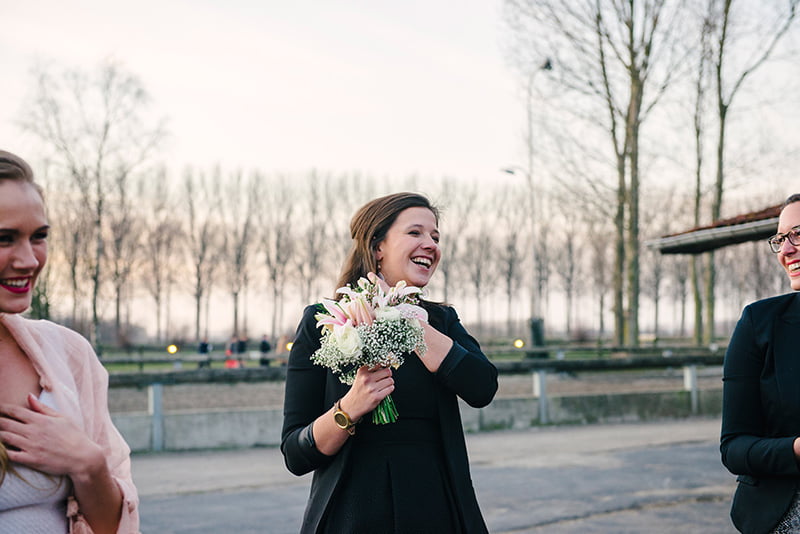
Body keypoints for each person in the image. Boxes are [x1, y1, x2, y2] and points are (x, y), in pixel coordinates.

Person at [281, 192, 498, 533]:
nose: (431, 245)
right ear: (377, 246)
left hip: (436, 508)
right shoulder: (323, 321)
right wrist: (348, 408)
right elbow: (296, 454)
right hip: (351, 513)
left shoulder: (441, 322)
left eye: (435, 237)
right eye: (415, 233)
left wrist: (412, 321)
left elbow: (483, 387)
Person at [0, 150, 139, 533]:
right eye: (4, 239)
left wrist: (88, 464)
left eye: (39, 237)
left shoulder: (68, 353)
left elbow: (110, 527)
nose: (29, 260)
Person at [721, 193, 800, 534]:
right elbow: (734, 447)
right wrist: (795, 449)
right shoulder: (758, 323)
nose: (786, 250)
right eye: (780, 239)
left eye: (799, 234)